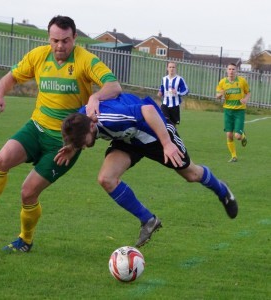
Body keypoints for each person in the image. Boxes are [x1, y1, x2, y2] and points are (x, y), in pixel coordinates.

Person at [0, 15, 122, 252]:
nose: (60, 46)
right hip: (36, 127)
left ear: (74, 38)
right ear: (48, 38)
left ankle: (25, 240)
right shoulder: (38, 55)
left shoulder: (86, 60)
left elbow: (114, 86)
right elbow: (10, 77)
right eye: (55, 40)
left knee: (28, 192)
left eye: (65, 40)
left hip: (65, 143)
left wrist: (95, 96)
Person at [55, 93, 238, 248]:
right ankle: (148, 220)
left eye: (83, 142)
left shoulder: (111, 118)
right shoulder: (80, 121)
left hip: (153, 131)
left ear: (92, 125)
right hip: (127, 139)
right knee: (106, 178)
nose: (85, 147)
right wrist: (73, 147)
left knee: (192, 174)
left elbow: (147, 110)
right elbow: (78, 135)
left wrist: (167, 144)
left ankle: (222, 190)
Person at [216, 63, 251, 162]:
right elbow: (217, 96)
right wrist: (220, 95)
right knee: (229, 135)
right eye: (229, 69)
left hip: (239, 110)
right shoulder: (222, 82)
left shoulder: (242, 81)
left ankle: (242, 135)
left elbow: (248, 92)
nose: (231, 71)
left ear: (236, 71)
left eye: (233, 69)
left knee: (237, 136)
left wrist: (245, 99)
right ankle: (234, 156)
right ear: (227, 71)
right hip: (228, 111)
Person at [157, 61, 189, 126]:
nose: (172, 69)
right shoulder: (164, 79)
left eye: (173, 67)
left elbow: (186, 90)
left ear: (176, 69)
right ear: (167, 68)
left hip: (175, 105)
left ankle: (172, 136)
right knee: (164, 123)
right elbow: (162, 88)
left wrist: (177, 92)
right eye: (170, 67)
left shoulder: (179, 79)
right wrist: (160, 92)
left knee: (173, 126)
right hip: (165, 104)